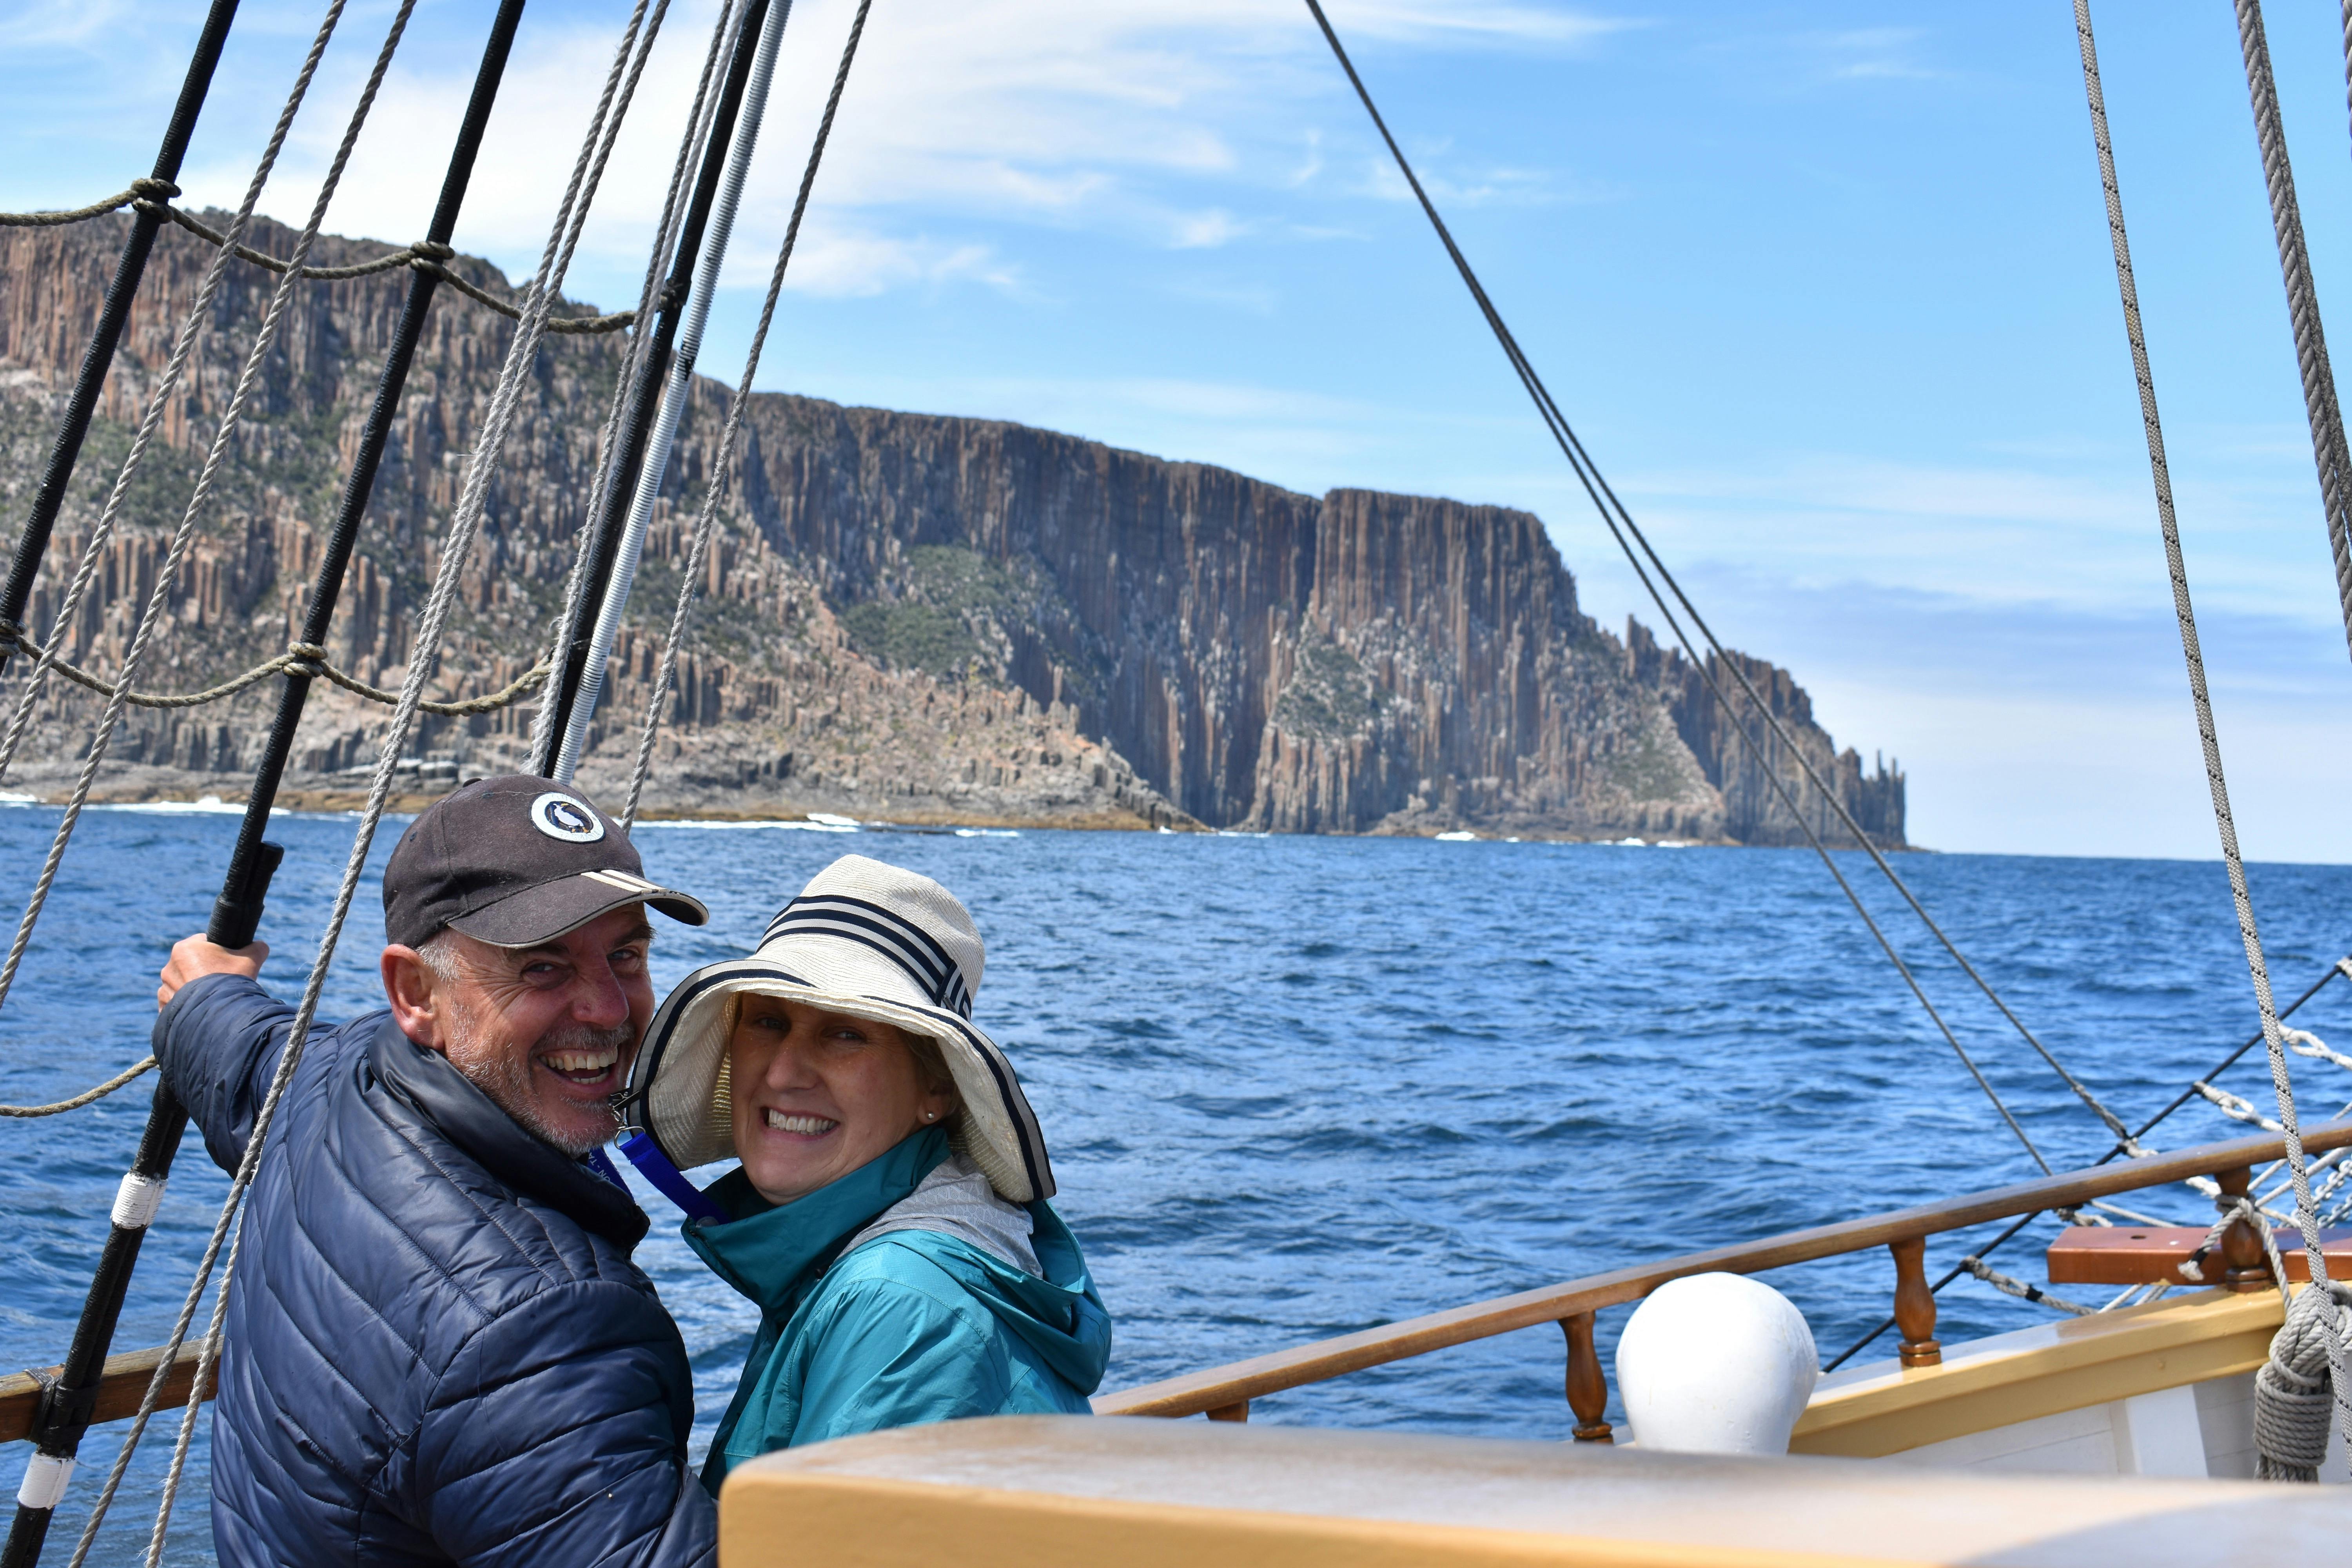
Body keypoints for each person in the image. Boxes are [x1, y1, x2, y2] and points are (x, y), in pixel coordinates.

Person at [152, 776, 719, 1566]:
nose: (608, 1008)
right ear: (415, 993)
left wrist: (202, 991)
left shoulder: (335, 1075)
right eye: (544, 968)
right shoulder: (538, 1335)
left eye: (625, 953)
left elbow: (239, 1050)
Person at [624, 853, 1110, 1486]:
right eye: (769, 1022)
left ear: (936, 1089)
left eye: (845, 1034)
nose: (781, 1072)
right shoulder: (887, 1257)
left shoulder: (901, 1302)